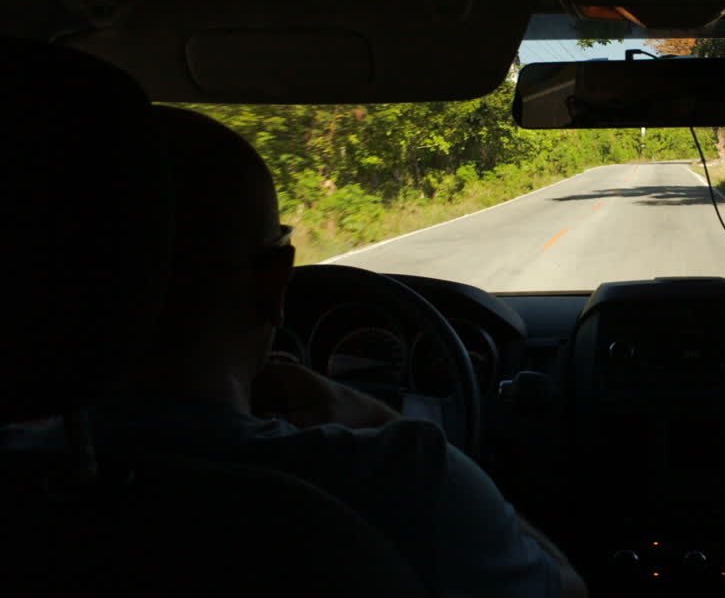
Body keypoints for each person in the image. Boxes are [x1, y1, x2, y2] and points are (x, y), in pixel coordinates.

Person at [3, 105, 587, 598]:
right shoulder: (405, 479)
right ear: (274, 286)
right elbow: (566, 586)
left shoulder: (25, 480)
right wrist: (377, 417)